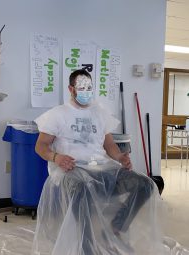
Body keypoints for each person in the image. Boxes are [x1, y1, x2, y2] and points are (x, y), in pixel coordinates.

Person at [32, 69, 159, 255]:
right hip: (71, 170)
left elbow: (109, 146)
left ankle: (116, 228)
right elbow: (41, 146)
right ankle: (87, 243)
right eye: (81, 87)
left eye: (89, 87)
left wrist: (120, 157)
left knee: (145, 185)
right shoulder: (57, 114)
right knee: (83, 189)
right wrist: (56, 157)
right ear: (71, 89)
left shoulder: (99, 113)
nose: (86, 91)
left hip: (102, 167)